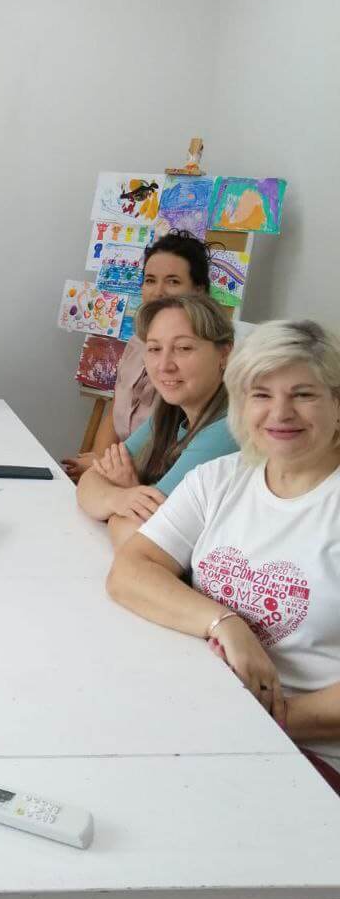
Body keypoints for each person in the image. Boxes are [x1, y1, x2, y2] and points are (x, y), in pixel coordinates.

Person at [106, 320, 340, 790]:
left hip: (305, 750)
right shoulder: (220, 478)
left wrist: (267, 719)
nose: (280, 412)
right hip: (199, 712)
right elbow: (130, 570)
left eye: (303, 394)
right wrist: (225, 623)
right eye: (261, 394)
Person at [77, 294, 236, 549]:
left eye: (183, 348)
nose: (164, 365)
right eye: (154, 349)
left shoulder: (228, 429)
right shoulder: (171, 413)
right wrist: (120, 498)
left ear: (224, 354)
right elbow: (88, 483)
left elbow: (138, 536)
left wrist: (124, 498)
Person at [62, 231, 211, 479]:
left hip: (158, 479)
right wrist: (98, 464)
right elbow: (116, 407)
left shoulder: (201, 360)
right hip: (121, 468)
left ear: (199, 290)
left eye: (173, 281)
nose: (158, 292)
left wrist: (106, 469)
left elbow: (171, 450)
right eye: (150, 280)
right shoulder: (137, 342)